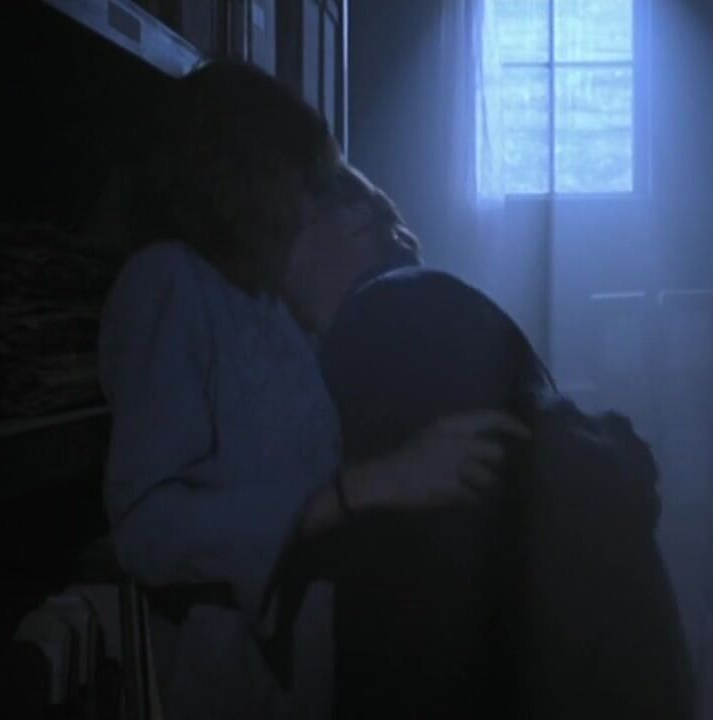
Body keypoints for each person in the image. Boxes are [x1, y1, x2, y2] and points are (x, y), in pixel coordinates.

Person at [98, 61, 525, 720]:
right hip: (231, 685)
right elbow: (146, 528)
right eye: (300, 181)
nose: (310, 204)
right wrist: (359, 490)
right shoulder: (169, 281)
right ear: (244, 177)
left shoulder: (280, 300)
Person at [272, 163, 694, 719]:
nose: (273, 257)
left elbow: (414, 590)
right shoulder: (433, 305)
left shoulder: (383, 308)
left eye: (290, 228)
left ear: (353, 220)